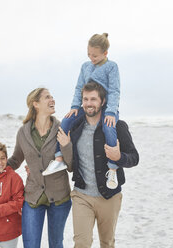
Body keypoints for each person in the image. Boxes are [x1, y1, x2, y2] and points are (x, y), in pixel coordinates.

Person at [0, 88, 73, 248]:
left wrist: (67, 145)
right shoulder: (23, 132)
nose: (52, 100)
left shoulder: (62, 129)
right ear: (36, 104)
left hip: (60, 196)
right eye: (47, 97)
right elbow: (14, 161)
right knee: (30, 245)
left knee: (56, 244)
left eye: (53, 97)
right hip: (33, 196)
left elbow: (71, 166)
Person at [63, 81, 139, 248]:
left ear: (102, 102)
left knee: (107, 243)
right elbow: (69, 164)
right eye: (85, 99)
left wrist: (119, 157)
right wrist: (65, 146)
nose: (88, 104)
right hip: (82, 195)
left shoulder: (117, 126)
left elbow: (134, 158)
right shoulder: (75, 126)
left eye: (93, 99)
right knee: (81, 243)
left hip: (109, 196)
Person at [49, 33, 121, 190]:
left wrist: (110, 112)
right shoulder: (85, 66)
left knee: (109, 127)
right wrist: (75, 107)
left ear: (105, 53)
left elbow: (115, 91)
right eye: (89, 54)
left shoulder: (111, 67)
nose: (91, 58)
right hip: (87, 106)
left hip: (107, 108)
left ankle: (113, 168)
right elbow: (79, 88)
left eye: (95, 55)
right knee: (67, 121)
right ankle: (59, 158)